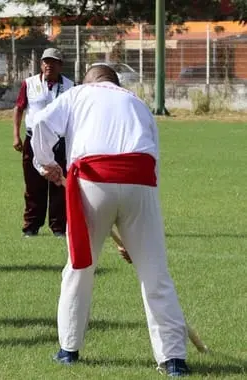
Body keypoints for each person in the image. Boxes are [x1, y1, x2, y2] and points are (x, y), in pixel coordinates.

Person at [30, 65, 191, 376]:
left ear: (89, 81)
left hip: (92, 181)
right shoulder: (138, 102)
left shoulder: (78, 94)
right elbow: (153, 157)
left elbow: (39, 124)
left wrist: (45, 163)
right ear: (115, 83)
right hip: (140, 181)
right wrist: (139, 235)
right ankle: (173, 358)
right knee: (155, 272)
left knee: (80, 267)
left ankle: (68, 349)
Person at [13, 48, 74, 237]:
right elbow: (19, 108)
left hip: (59, 140)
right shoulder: (29, 83)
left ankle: (59, 228)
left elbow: (73, 114)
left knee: (59, 184)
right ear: (41, 64)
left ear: (60, 65)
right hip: (33, 139)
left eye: (53, 61)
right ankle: (31, 227)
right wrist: (16, 135)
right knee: (33, 185)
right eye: (46, 61)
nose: (49, 65)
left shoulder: (71, 86)